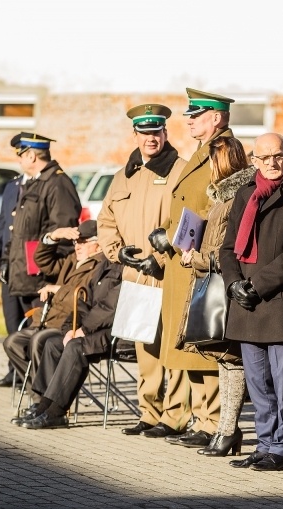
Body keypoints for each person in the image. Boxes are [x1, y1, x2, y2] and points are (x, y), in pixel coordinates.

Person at [221, 133, 283, 471]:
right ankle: (265, 444)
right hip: (246, 303)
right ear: (254, 160)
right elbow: (227, 248)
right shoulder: (245, 194)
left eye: (279, 156)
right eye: (265, 158)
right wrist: (234, 283)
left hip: (278, 301)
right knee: (258, 384)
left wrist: (256, 285)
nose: (272, 163)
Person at [147, 88, 236, 448]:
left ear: (215, 118)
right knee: (188, 345)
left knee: (205, 340)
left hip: (200, 260)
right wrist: (167, 234)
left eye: (196, 115)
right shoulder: (202, 151)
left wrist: (186, 242)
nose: (189, 121)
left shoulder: (224, 151)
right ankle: (202, 417)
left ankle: (214, 421)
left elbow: (224, 208)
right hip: (182, 258)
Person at [96, 103, 189, 437]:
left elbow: (187, 224)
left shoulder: (180, 170)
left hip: (168, 274)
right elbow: (105, 220)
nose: (151, 138)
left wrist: (161, 259)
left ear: (165, 133)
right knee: (145, 351)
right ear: (135, 134)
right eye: (145, 133)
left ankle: (175, 416)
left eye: (157, 132)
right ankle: (149, 412)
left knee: (172, 349)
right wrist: (116, 251)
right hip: (134, 274)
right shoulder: (125, 175)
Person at [176, 136, 255, 456]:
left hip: (226, 289)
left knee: (232, 360)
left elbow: (228, 254)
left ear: (222, 163)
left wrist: (192, 258)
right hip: (219, 286)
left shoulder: (235, 198)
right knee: (225, 359)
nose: (209, 169)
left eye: (212, 162)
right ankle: (225, 430)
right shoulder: (223, 197)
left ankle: (228, 432)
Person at [5, 220, 104, 412]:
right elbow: (42, 261)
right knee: (13, 343)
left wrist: (57, 289)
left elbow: (83, 297)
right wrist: (53, 236)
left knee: (38, 341)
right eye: (76, 242)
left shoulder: (99, 265)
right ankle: (40, 396)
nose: (78, 246)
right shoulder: (72, 260)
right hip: (46, 320)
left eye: (83, 242)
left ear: (98, 243)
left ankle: (45, 404)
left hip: (69, 322)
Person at [19, 251, 124, 429]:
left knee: (76, 348)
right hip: (92, 330)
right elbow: (83, 303)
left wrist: (83, 330)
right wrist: (70, 329)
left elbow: (109, 308)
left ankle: (56, 412)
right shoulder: (104, 264)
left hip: (115, 332)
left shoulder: (125, 265)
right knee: (53, 343)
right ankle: (44, 405)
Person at [3, 133, 81, 312]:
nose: (19, 162)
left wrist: (48, 268)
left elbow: (63, 232)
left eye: (21, 156)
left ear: (31, 156)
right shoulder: (35, 183)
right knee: (23, 335)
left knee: (38, 336)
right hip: (25, 276)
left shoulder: (57, 183)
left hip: (42, 278)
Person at [0, 134, 28, 388]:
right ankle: (14, 369)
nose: (22, 158)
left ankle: (28, 370)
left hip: (30, 267)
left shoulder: (44, 185)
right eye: (20, 154)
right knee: (11, 320)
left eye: (23, 153)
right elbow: (3, 224)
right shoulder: (12, 186)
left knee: (30, 321)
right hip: (9, 266)